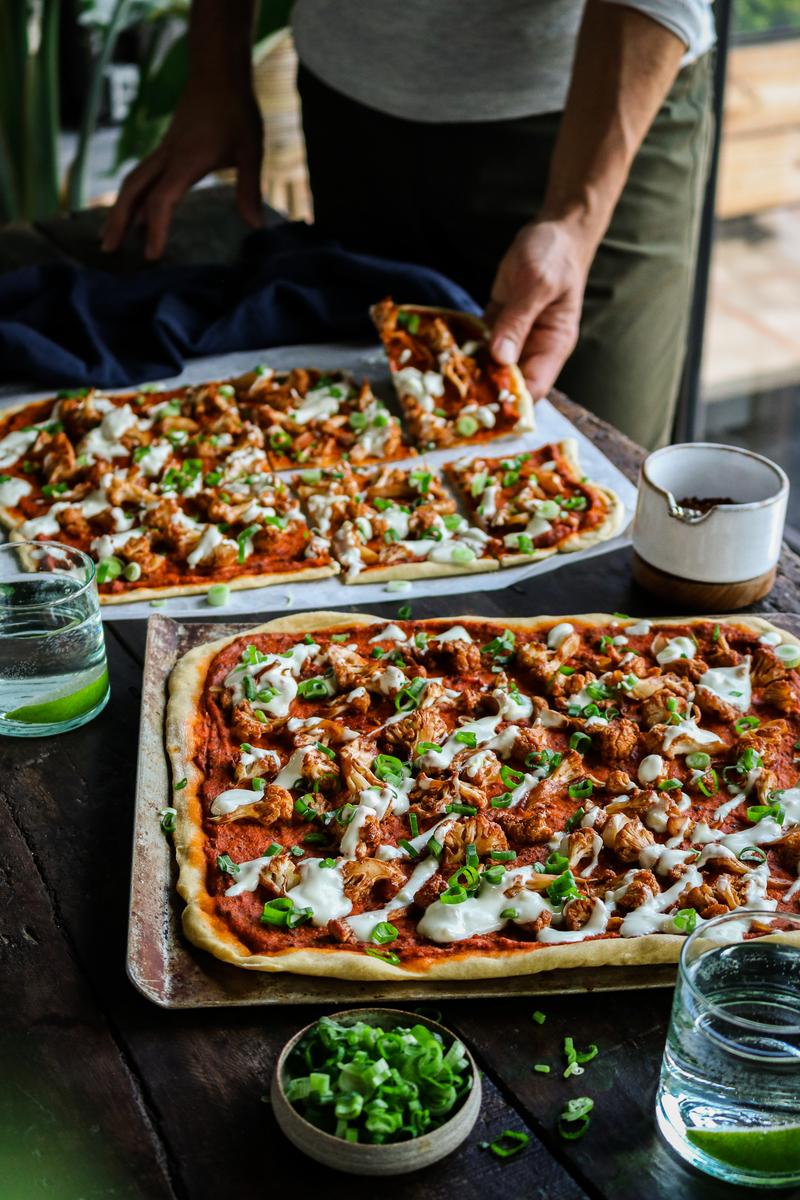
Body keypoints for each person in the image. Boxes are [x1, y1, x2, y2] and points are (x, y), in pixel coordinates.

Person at [102, 1, 715, 449]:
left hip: (594, 116)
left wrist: (575, 217)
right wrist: (215, 74)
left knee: (612, 499)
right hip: (351, 114)